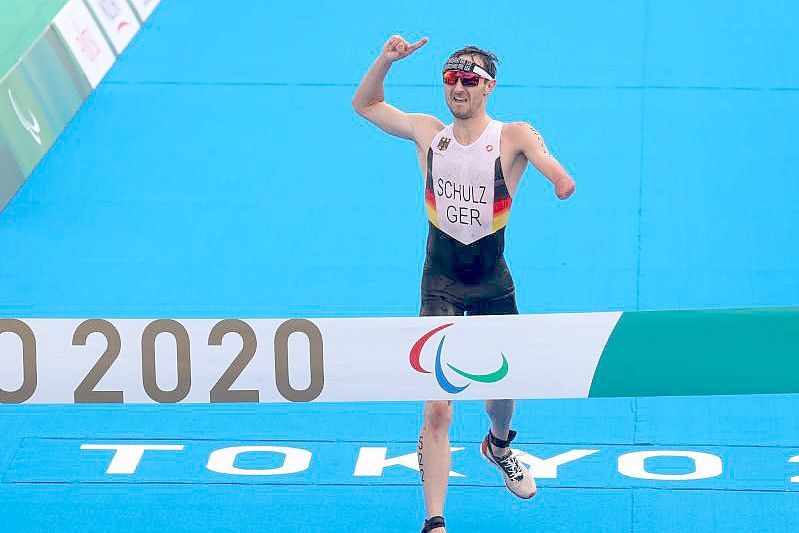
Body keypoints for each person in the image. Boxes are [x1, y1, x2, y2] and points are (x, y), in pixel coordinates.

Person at [352, 35, 576, 533]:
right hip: (441, 283)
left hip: (492, 282)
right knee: (437, 406)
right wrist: (385, 62)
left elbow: (552, 167)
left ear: (488, 87)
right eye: (451, 77)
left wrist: (559, 180)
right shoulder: (428, 133)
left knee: (503, 390)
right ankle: (435, 522)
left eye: (469, 78)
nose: (458, 85)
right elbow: (365, 104)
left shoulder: (513, 134)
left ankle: (498, 446)